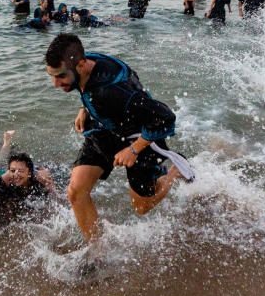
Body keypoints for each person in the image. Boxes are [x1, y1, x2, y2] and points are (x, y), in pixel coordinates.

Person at [44, 34, 192, 243]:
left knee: (142, 207)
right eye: (51, 75)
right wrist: (85, 108)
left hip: (139, 138)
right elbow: (130, 75)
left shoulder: (112, 91)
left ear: (81, 64)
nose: (55, 83)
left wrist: (133, 150)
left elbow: (165, 117)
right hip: (105, 131)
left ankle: (173, 174)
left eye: (60, 76)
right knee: (76, 191)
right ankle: (98, 251)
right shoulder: (87, 62)